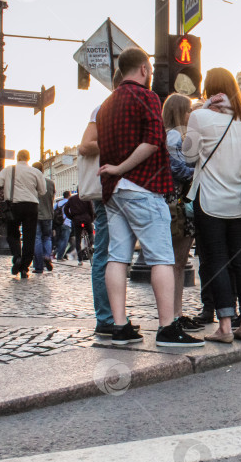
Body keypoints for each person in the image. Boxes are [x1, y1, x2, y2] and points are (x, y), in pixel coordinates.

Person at [96, 46, 204, 348]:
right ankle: (168, 328)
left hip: (113, 192)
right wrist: (122, 167)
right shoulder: (146, 97)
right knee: (162, 258)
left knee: (117, 257)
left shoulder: (106, 104)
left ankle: (120, 327)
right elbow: (153, 143)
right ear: (144, 69)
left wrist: (115, 170)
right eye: (150, 71)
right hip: (143, 188)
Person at [184, 67, 241, 343]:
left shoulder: (199, 116)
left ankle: (225, 328)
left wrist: (202, 109)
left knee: (216, 262)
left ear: (208, 89)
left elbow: (188, 155)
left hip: (211, 203)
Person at [78, 68, 139, 336]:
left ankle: (116, 317)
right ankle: (106, 318)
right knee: (106, 251)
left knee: (120, 254)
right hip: (107, 190)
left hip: (132, 188)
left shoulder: (137, 106)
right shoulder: (102, 108)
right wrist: (119, 143)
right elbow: (85, 146)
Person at [162, 93, 203, 334]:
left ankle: (177, 313)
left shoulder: (169, 134)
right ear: (180, 112)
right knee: (177, 262)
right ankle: (174, 314)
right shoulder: (175, 135)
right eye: (188, 110)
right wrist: (200, 171)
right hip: (177, 203)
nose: (191, 114)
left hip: (171, 202)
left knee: (177, 263)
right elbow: (176, 168)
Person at [0, 150, 46, 277]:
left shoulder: (9, 170)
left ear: (18, 158)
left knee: (13, 234)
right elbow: (42, 191)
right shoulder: (35, 172)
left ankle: (17, 256)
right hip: (31, 206)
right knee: (29, 237)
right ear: (28, 158)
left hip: (14, 205)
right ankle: (25, 268)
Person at [31, 162, 55, 273]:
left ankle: (39, 266)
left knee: (37, 239)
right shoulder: (50, 183)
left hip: (35, 215)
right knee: (47, 238)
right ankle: (47, 256)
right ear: (43, 170)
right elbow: (52, 198)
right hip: (48, 215)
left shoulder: (32, 182)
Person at [63, 192, 94, 265]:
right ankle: (91, 245)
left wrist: (71, 217)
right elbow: (91, 209)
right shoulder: (86, 198)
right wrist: (91, 218)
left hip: (76, 220)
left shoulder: (72, 199)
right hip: (87, 220)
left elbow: (66, 209)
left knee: (78, 239)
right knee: (90, 233)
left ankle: (80, 259)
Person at [53, 190, 72, 260]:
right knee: (65, 240)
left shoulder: (58, 203)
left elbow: (53, 212)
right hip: (67, 223)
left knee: (60, 240)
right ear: (69, 195)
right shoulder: (70, 203)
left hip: (58, 223)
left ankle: (57, 253)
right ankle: (59, 256)